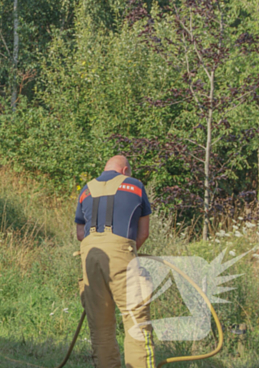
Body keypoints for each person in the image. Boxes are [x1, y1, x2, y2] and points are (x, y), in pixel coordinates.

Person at [75, 155, 154, 368]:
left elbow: (80, 233)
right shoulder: (135, 185)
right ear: (125, 170)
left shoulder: (86, 189)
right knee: (136, 321)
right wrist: (124, 253)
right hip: (122, 253)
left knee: (100, 326)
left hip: (90, 256)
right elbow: (144, 232)